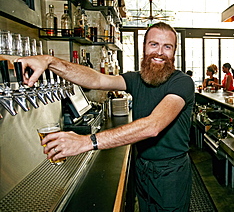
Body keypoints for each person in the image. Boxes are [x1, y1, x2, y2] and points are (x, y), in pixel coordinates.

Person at [17, 22, 195, 212]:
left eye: (167, 47)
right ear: (144, 47)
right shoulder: (136, 79)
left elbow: (153, 126)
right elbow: (97, 79)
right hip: (142, 166)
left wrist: (87, 142)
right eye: (153, 44)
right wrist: (50, 62)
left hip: (171, 173)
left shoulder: (182, 82)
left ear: (174, 52)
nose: (159, 52)